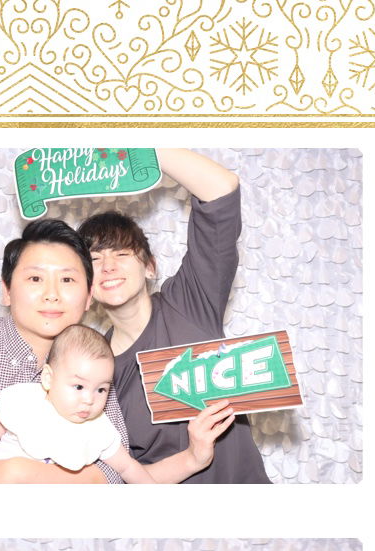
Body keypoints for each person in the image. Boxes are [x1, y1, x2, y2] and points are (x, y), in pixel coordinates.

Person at [0, 216, 231, 486]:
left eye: (67, 280)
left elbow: (117, 473)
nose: (52, 294)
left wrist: (21, 475)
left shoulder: (93, 371)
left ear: (89, 296)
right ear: (6, 290)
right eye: (35, 279)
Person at [79, 147, 271, 485]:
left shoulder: (189, 301)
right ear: (86, 284)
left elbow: (221, 188)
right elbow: (119, 479)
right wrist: (191, 457)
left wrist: (141, 143)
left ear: (150, 267)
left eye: (122, 253)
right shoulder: (92, 368)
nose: (108, 266)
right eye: (94, 259)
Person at [0, 325, 205, 487]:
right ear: (48, 378)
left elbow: (129, 468)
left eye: (101, 389)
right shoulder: (25, 401)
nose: (89, 399)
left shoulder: (99, 429)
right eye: (78, 386)